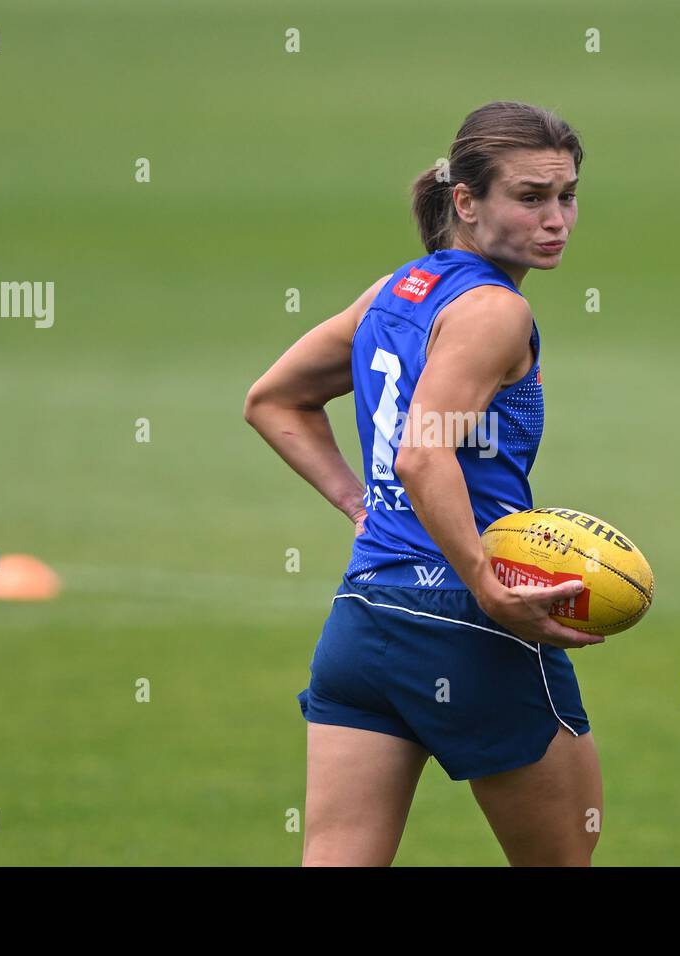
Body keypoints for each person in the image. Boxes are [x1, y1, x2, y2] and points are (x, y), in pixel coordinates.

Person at [244, 101, 602, 866]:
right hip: (469, 623)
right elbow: (422, 454)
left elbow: (273, 401)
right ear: (466, 203)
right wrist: (487, 583)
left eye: (566, 195)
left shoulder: (395, 292)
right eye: (530, 198)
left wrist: (360, 504)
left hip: (363, 623)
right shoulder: (494, 312)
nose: (557, 220)